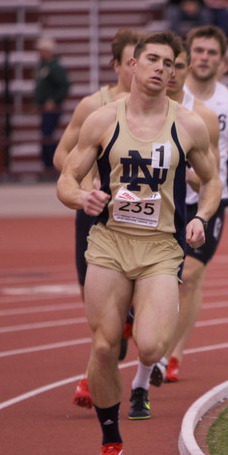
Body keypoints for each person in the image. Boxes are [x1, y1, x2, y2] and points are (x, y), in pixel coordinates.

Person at [56, 30, 221, 455]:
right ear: (133, 65)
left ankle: (139, 319)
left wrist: (202, 217)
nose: (160, 69)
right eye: (152, 60)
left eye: (168, 63)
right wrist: (82, 197)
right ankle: (111, 440)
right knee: (104, 348)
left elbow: (212, 181)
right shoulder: (102, 120)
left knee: (149, 349)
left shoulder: (188, 125)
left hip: (160, 247)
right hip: (110, 243)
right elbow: (66, 178)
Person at [51, 27, 143, 410]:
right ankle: (115, 337)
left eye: (144, 61)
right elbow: (62, 155)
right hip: (94, 212)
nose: (139, 68)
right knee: (93, 299)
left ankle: (92, 379)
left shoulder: (159, 108)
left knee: (122, 305)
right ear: (117, 65)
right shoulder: (93, 106)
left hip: (139, 217)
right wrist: (86, 180)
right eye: (131, 62)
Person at [161, 25, 228, 382]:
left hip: (208, 198)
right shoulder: (163, 97)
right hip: (165, 200)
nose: (203, 58)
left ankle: (173, 354)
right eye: (198, 51)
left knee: (191, 275)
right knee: (161, 275)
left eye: (211, 53)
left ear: (223, 62)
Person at [33, 36, 70, 172]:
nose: (39, 53)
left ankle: (50, 164)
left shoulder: (55, 68)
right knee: (46, 136)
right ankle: (47, 164)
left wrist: (54, 100)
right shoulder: (42, 66)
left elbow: (64, 85)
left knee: (47, 136)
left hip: (51, 109)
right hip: (43, 108)